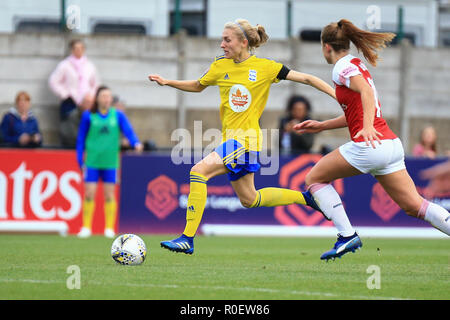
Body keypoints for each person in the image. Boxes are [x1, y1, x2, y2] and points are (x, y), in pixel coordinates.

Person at [149, 19, 336, 254]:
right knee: (250, 199)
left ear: (243, 42)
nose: (222, 44)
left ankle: (187, 238)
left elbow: (308, 78)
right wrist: (168, 82)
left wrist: (336, 94)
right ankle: (306, 199)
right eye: (222, 39)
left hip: (246, 141)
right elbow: (198, 85)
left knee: (198, 172)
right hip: (232, 142)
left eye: (227, 40)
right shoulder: (221, 66)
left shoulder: (266, 67)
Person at [293, 19, 450, 261]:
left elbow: (366, 92)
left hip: (370, 146)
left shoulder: (340, 67)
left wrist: (366, 128)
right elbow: (356, 110)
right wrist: (322, 125)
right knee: (415, 206)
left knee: (314, 178)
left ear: (326, 47)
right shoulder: (356, 63)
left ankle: (347, 235)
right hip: (389, 145)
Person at [76, 86, 143, 238]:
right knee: (89, 193)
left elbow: (128, 131)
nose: (106, 99)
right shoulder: (88, 115)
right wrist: (79, 159)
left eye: (108, 96)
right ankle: (86, 227)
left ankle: (109, 228)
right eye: (104, 96)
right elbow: (80, 139)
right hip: (92, 160)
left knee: (109, 195)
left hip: (110, 161)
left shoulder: (117, 115)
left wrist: (135, 142)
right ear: (98, 98)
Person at [49, 39, 99, 148]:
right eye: (76, 48)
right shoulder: (65, 65)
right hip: (70, 102)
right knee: (68, 129)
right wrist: (65, 94)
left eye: (81, 48)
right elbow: (53, 81)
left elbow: (95, 83)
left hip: (86, 103)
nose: (78, 51)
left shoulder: (89, 65)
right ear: (71, 50)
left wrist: (90, 96)